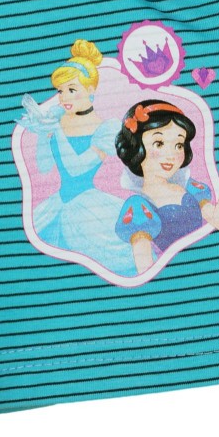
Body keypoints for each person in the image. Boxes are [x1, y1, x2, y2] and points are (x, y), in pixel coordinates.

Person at [18, 40, 137, 276]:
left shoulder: (106, 128)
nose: (64, 97)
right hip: (57, 203)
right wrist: (42, 134)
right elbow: (44, 167)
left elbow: (77, 168)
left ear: (90, 90)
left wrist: (58, 130)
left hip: (88, 206)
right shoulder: (58, 119)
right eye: (61, 91)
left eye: (72, 90)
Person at [114, 100, 219, 274]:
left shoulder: (190, 187)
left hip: (217, 266)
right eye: (159, 143)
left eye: (178, 145)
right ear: (137, 148)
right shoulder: (138, 207)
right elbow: (146, 270)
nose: (171, 155)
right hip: (180, 275)